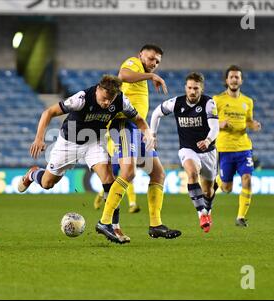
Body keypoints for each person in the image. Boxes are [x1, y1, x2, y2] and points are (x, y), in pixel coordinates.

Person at [17, 75, 163, 244]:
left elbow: (138, 120)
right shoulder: (81, 98)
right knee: (48, 183)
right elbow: (49, 112)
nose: (107, 103)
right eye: (104, 99)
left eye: (111, 100)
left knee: (109, 179)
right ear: (98, 90)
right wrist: (39, 138)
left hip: (95, 142)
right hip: (69, 143)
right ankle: (33, 174)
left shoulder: (121, 100)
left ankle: (113, 226)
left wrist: (147, 133)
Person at [93, 44, 168, 219]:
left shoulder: (141, 76)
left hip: (137, 128)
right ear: (140, 55)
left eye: (157, 62)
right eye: (150, 58)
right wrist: (151, 75)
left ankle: (156, 224)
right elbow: (123, 75)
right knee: (127, 172)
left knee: (158, 173)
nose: (154, 63)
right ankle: (106, 220)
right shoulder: (134, 63)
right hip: (123, 123)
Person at [151, 72, 219, 233]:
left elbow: (215, 127)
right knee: (192, 174)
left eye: (196, 88)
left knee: (208, 190)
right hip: (187, 149)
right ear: (185, 88)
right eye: (189, 88)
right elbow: (156, 113)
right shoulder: (176, 103)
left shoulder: (209, 103)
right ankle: (202, 213)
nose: (192, 91)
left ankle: (207, 209)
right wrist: (152, 134)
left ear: (201, 89)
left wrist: (208, 141)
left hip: (208, 151)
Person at [214, 65, 261, 227]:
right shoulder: (217, 100)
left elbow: (248, 121)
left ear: (241, 80)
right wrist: (219, 124)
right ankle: (218, 180)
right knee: (226, 188)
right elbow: (209, 122)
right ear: (226, 80)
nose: (234, 79)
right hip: (225, 148)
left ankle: (241, 217)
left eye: (237, 77)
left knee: (247, 179)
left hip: (244, 147)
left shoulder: (247, 101)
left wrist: (252, 125)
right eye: (231, 77)